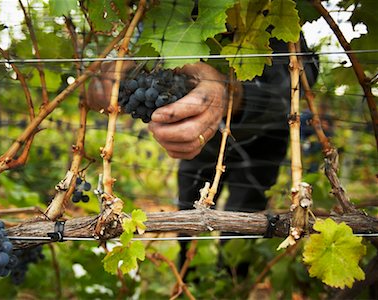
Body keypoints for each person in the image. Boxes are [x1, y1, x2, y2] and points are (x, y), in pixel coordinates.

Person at [86, 35, 319, 270]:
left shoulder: (280, 21)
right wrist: (112, 78)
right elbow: (95, 94)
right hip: (201, 145)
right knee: (189, 220)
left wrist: (231, 94)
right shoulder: (151, 17)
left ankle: (232, 284)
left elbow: (302, 76)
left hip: (263, 140)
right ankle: (192, 276)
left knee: (245, 224)